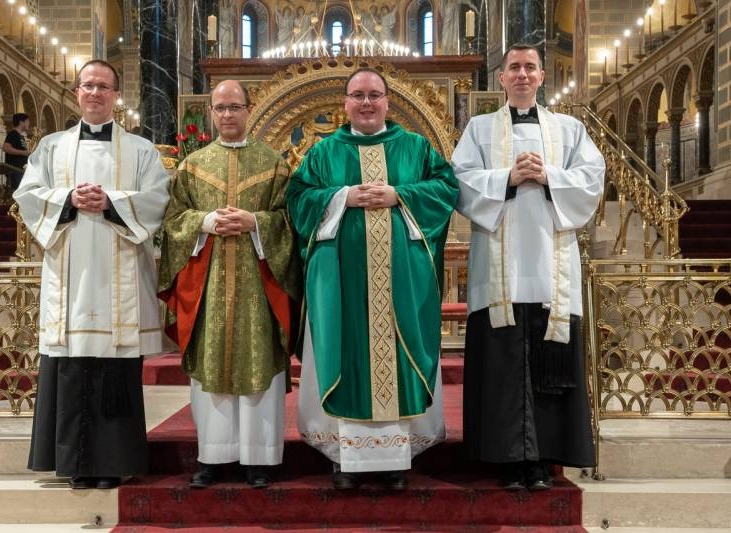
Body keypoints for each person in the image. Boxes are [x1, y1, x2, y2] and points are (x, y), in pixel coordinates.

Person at [286, 68, 459, 490]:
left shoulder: (415, 148)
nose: (366, 103)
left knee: (399, 358)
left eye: (374, 95)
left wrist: (400, 195)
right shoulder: (324, 152)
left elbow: (446, 188)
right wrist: (342, 196)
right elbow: (297, 199)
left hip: (402, 283)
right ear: (345, 102)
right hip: (341, 283)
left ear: (387, 101)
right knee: (346, 355)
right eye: (358, 95)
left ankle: (395, 461)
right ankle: (346, 461)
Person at [451, 43, 605, 491]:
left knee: (546, 361)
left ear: (541, 77)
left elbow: (592, 178)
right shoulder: (479, 128)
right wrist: (508, 178)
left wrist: (549, 175)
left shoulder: (570, 129)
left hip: (551, 268)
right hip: (498, 271)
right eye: (514, 67)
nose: (522, 74)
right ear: (501, 78)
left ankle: (540, 461)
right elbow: (459, 180)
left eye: (530, 67)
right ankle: (505, 459)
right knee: (502, 364)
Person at [15, 59, 170, 490]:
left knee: (115, 367)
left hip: (120, 277)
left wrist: (112, 201)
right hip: (70, 279)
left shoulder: (141, 150)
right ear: (77, 92)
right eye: (88, 85)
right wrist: (68, 198)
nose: (95, 93)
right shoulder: (51, 147)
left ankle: (114, 463)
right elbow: (28, 195)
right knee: (70, 364)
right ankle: (75, 465)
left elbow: (158, 198)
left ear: (116, 95)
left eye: (104, 86)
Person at [158, 80, 301, 489]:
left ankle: (260, 459)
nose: (227, 115)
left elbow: (291, 222)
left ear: (248, 110)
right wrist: (205, 221)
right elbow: (172, 223)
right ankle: (213, 457)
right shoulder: (192, 166)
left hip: (259, 289)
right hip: (209, 288)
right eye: (220, 108)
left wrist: (256, 222)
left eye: (234, 107)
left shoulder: (274, 164)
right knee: (211, 368)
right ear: (210, 112)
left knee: (259, 365)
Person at [2, 112, 32, 192]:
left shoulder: (21, 137)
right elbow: (6, 148)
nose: (29, 123)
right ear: (21, 122)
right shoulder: (13, 134)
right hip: (15, 172)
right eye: (27, 121)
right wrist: (23, 152)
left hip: (21, 172)